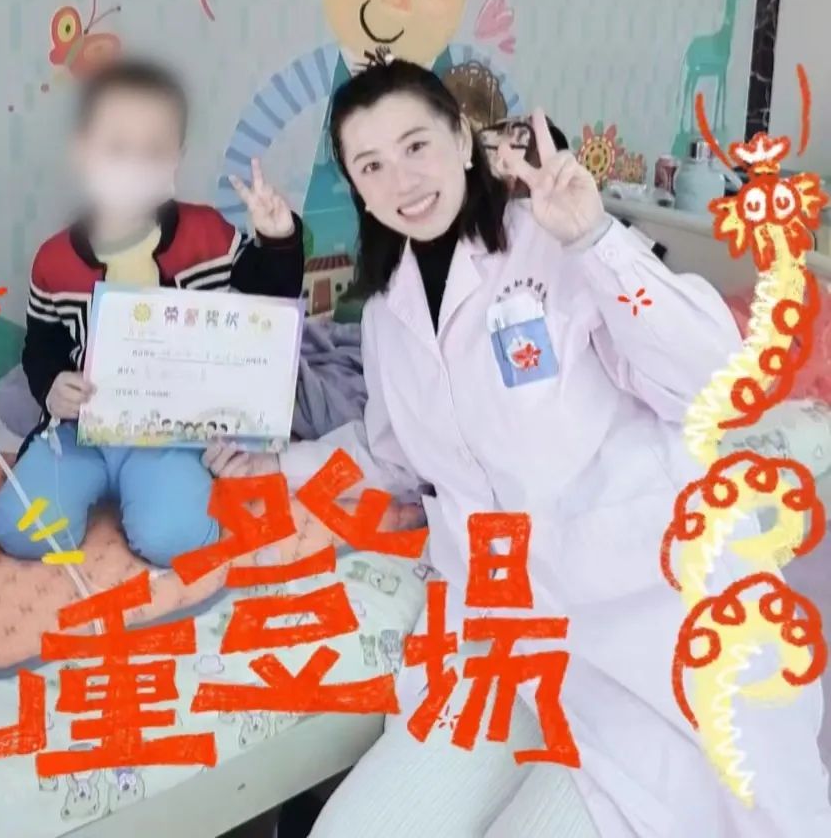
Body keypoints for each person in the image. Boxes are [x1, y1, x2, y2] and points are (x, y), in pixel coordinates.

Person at [206, 59, 830, 836]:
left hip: (637, 623)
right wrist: (279, 465)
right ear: (357, 189)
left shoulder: (551, 241)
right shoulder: (388, 311)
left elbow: (712, 377)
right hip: (496, 633)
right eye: (371, 165)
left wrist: (597, 239)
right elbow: (394, 454)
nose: (402, 180)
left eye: (416, 145)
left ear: (462, 139)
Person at [0, 58, 304, 568]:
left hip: (173, 435)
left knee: (176, 540)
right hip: (81, 431)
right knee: (24, 532)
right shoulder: (54, 260)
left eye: (154, 151)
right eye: (117, 149)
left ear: (177, 158)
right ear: (83, 153)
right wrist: (51, 386)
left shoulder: (210, 236)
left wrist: (279, 239)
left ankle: (169, 491)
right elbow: (41, 345)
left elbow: (269, 307)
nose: (135, 166)